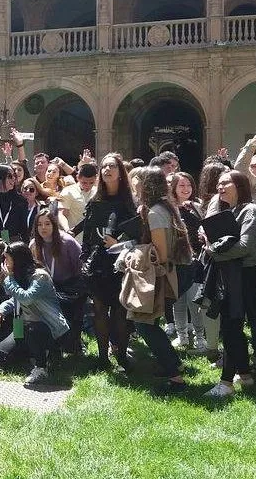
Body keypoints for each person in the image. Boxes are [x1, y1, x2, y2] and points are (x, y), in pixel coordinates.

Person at [202, 170, 256, 397]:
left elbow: (245, 247)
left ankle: (226, 383)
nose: (220, 187)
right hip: (227, 277)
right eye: (218, 183)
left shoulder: (251, 210)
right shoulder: (225, 211)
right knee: (231, 327)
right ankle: (245, 376)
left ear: (240, 185)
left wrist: (212, 251)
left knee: (231, 329)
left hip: (245, 278)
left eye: (225, 183)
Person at [78, 153, 137, 370]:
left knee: (121, 312)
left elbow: (138, 234)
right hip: (98, 263)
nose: (107, 170)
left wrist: (118, 241)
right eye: (104, 167)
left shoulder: (129, 203)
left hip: (123, 263)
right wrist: (84, 261)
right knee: (100, 311)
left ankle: (121, 355)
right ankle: (102, 357)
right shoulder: (95, 202)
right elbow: (87, 236)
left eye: (112, 166)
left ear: (121, 172)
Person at [131, 167, 188, 392]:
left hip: (165, 274)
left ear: (146, 186)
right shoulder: (163, 207)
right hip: (174, 271)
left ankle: (175, 376)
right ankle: (171, 364)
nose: (134, 185)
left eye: (137, 181)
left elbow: (161, 255)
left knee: (144, 322)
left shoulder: (156, 212)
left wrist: (133, 252)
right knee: (149, 322)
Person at [0, 242, 70, 385]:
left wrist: (9, 279)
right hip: (24, 325)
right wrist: (2, 309)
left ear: (18, 260)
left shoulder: (40, 277)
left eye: (8, 259)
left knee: (31, 328)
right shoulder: (19, 276)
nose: (5, 263)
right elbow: (15, 299)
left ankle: (41, 367)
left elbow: (27, 298)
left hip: (50, 328)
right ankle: (38, 356)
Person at [30, 209, 83, 355]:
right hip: (47, 287)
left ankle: (74, 344)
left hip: (69, 286)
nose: (43, 228)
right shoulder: (34, 245)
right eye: (39, 224)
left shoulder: (68, 242)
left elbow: (80, 268)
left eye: (47, 224)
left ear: (54, 225)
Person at [169, 171, 204, 351]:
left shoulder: (197, 206)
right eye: (181, 185)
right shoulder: (169, 208)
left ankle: (200, 337)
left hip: (195, 260)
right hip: (175, 260)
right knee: (178, 300)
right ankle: (182, 335)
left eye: (188, 185)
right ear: (173, 188)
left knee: (194, 299)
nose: (186, 189)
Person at [60, 162, 98, 241]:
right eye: (84, 182)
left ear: (95, 179)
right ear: (78, 178)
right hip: (75, 238)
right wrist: (67, 229)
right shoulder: (68, 191)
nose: (88, 186)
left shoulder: (98, 192)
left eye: (91, 182)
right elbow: (62, 214)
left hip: (93, 240)